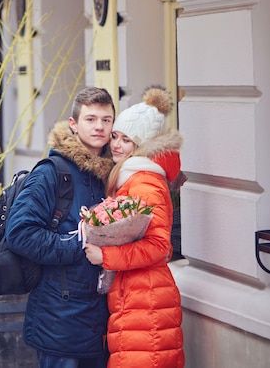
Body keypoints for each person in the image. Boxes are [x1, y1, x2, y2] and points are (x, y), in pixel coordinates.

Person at [6, 86, 115, 368]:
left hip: (100, 320)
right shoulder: (52, 172)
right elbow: (20, 232)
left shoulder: (112, 174)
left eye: (106, 120)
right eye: (90, 119)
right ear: (74, 124)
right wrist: (77, 245)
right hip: (59, 318)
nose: (99, 127)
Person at [84, 85, 185, 368]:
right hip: (138, 297)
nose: (115, 144)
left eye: (126, 140)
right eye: (115, 136)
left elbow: (158, 246)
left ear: (140, 146)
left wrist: (105, 256)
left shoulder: (144, 183)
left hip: (147, 300)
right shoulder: (129, 179)